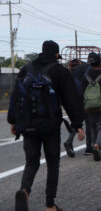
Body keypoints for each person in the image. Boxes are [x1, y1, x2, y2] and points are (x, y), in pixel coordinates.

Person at [8, 40, 85, 211]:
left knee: (31, 161)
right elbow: (71, 99)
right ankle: (50, 205)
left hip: (27, 124)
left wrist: (13, 121)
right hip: (50, 126)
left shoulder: (26, 69)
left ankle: (24, 191)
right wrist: (78, 124)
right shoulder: (60, 71)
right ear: (56, 54)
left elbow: (16, 96)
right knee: (52, 163)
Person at [64, 59, 92, 157]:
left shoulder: (69, 72)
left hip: (72, 98)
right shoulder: (87, 68)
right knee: (89, 122)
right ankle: (89, 146)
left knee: (76, 120)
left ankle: (69, 140)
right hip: (84, 97)